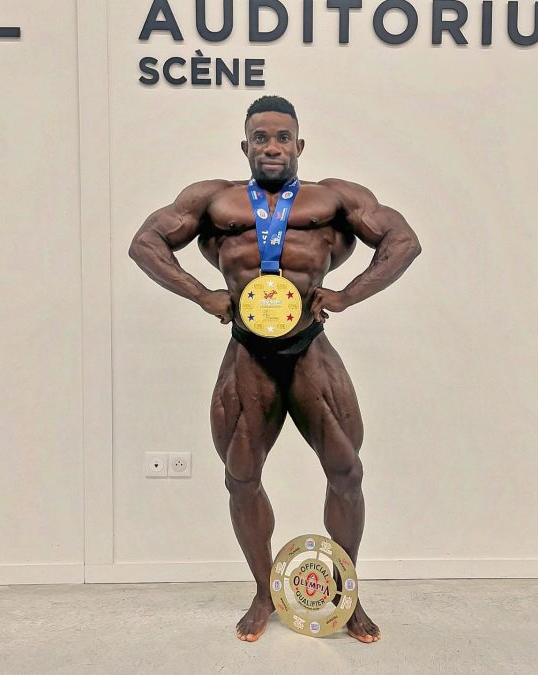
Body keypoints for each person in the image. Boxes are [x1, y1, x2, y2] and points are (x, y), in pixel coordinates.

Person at [129, 96, 421, 643]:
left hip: (309, 349)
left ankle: (345, 593)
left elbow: (403, 240)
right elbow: (145, 243)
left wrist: (349, 294)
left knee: (347, 472)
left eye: (282, 137)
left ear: (299, 144)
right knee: (241, 477)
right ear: (245, 145)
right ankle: (264, 593)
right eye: (260, 137)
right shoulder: (212, 199)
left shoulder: (334, 198)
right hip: (248, 353)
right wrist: (201, 294)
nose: (271, 147)